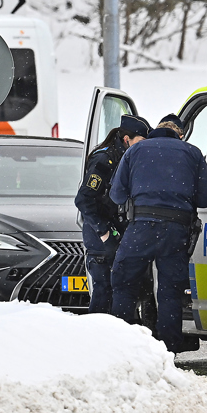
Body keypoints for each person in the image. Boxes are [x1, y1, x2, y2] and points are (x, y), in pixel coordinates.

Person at [108, 113, 207, 353]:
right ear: (179, 134)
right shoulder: (192, 152)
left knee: (124, 285)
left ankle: (119, 348)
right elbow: (206, 198)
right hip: (176, 231)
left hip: (141, 229)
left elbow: (116, 195)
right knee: (170, 292)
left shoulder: (134, 152)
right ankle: (169, 352)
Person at [75, 114, 150, 313]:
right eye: (140, 142)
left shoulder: (128, 157)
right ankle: (98, 339)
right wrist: (104, 232)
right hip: (101, 237)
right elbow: (84, 199)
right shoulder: (105, 159)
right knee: (104, 292)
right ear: (127, 139)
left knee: (123, 291)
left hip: (117, 233)